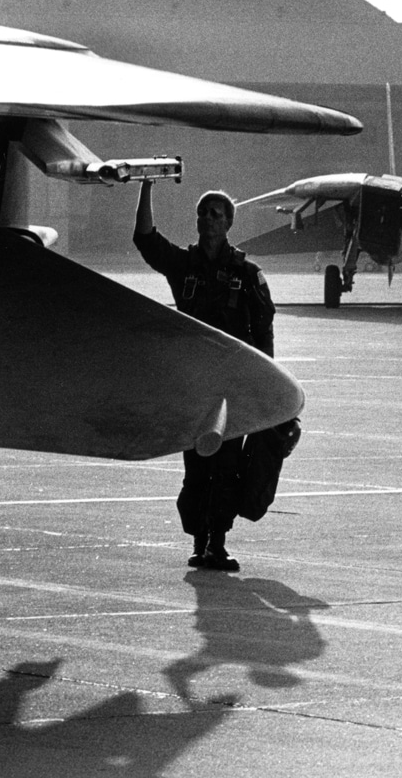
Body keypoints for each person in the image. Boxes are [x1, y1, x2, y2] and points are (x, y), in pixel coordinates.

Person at [134, 180, 276, 572]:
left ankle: (218, 542)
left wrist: (265, 380)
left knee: (227, 467)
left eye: (215, 213)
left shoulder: (247, 273)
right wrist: (146, 188)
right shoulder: (184, 266)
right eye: (202, 212)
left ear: (229, 222)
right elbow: (145, 239)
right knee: (197, 467)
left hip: (232, 387)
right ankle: (200, 540)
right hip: (193, 385)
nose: (207, 218)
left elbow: (263, 329)